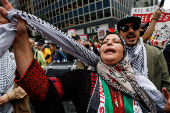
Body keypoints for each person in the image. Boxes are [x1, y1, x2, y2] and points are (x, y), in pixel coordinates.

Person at [0, 1, 170, 112]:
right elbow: (42, 90)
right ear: (100, 51)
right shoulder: (83, 79)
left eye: (115, 42)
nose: (109, 43)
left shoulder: (141, 83)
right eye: (105, 42)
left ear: (124, 52)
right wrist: (21, 38)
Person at [117, 15, 170, 93]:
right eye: (125, 28)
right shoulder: (115, 57)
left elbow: (166, 84)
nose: (131, 30)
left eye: (134, 27)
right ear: (119, 34)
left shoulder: (156, 53)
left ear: (138, 31)